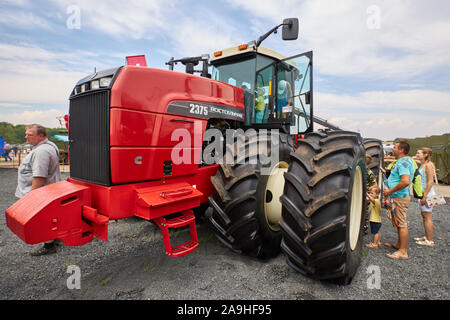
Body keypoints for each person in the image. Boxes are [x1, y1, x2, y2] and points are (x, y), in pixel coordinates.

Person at [15, 124, 62, 256]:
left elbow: (40, 177)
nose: (26, 137)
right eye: (26, 134)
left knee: (43, 219)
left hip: (41, 192)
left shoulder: (41, 151)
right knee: (51, 217)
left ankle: (49, 245)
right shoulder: (49, 146)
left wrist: (31, 198)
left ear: (41, 136)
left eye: (30, 134)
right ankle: (54, 239)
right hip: (49, 190)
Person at [383, 140, 415, 260]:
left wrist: (390, 191)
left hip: (400, 197)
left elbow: (405, 181)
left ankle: (403, 251)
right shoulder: (403, 161)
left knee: (401, 223)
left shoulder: (403, 162)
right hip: (398, 196)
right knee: (398, 222)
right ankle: (398, 245)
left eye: (395, 147)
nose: (392, 149)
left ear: (401, 150)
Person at [413, 147, 436, 247]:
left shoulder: (429, 165)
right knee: (424, 216)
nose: (417, 155)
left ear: (426, 155)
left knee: (427, 217)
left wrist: (424, 196)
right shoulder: (423, 164)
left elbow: (431, 181)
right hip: (422, 194)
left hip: (427, 194)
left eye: (419, 153)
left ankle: (430, 241)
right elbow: (412, 158)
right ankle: (427, 237)